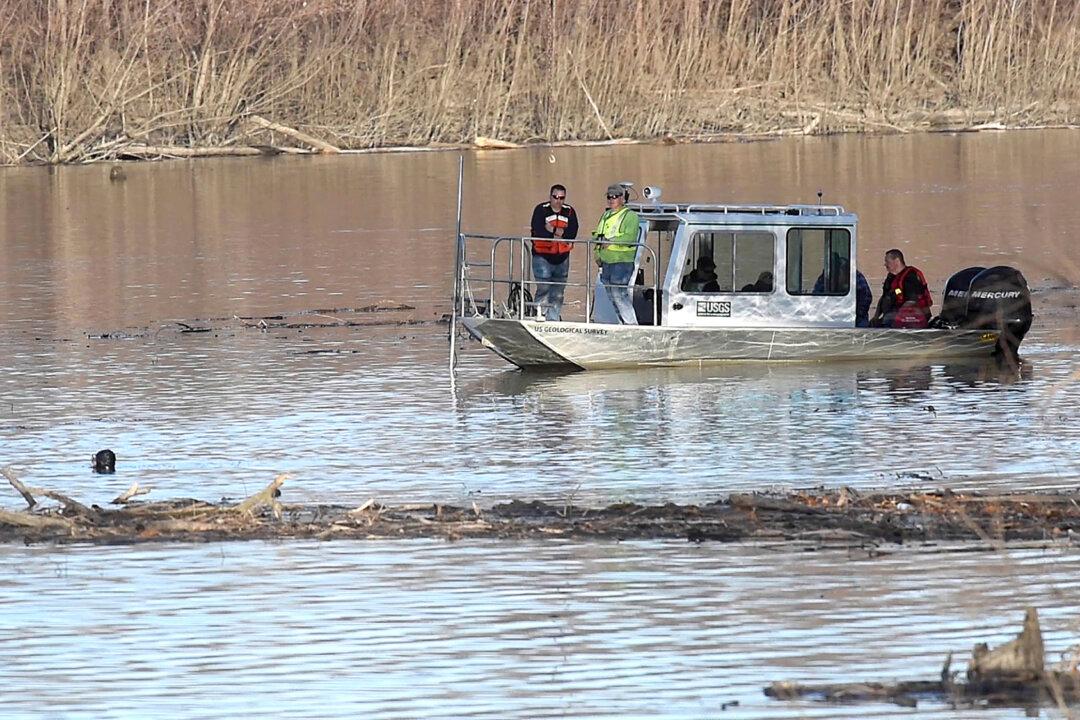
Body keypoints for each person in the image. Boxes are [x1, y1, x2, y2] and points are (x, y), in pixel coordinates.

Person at [529, 184, 578, 320]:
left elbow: (572, 233)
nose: (558, 201)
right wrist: (558, 233)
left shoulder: (569, 212)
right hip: (542, 256)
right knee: (543, 288)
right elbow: (539, 230)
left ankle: (553, 319)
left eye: (561, 198)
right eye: (555, 197)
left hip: (562, 258)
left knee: (558, 293)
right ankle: (540, 315)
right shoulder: (541, 210)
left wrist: (554, 230)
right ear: (550, 196)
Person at [592, 183, 640, 324]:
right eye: (609, 197)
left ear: (622, 198)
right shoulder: (606, 215)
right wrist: (597, 254)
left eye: (615, 196)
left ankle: (632, 325)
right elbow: (598, 236)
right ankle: (623, 323)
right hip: (606, 263)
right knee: (612, 296)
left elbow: (630, 237)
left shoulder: (630, 216)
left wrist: (611, 241)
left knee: (619, 294)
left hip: (622, 262)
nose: (611, 199)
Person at [870, 248, 932, 328]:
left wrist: (897, 317)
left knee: (887, 320)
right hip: (892, 315)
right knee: (873, 324)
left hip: (911, 318)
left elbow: (911, 302)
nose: (885, 264)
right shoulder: (891, 277)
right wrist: (876, 316)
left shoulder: (910, 276)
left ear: (897, 261)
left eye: (887, 262)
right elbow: (884, 297)